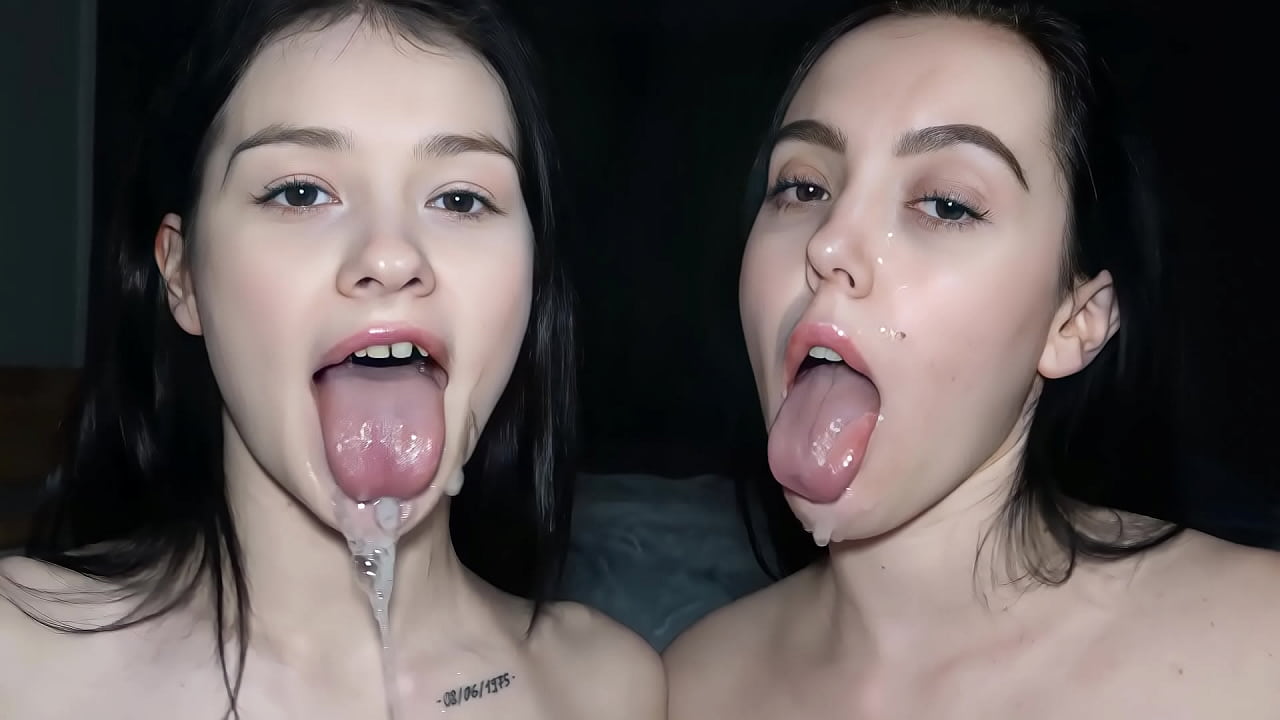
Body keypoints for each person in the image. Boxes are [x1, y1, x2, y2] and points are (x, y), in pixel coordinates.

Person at [0, 1, 664, 718]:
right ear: (182, 275)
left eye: (460, 199)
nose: (391, 256)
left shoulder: (609, 690)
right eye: (301, 192)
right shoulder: (19, 661)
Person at [665, 1, 1280, 717]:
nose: (828, 243)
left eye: (947, 205)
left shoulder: (1259, 650)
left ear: (1074, 322)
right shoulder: (688, 687)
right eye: (803, 188)